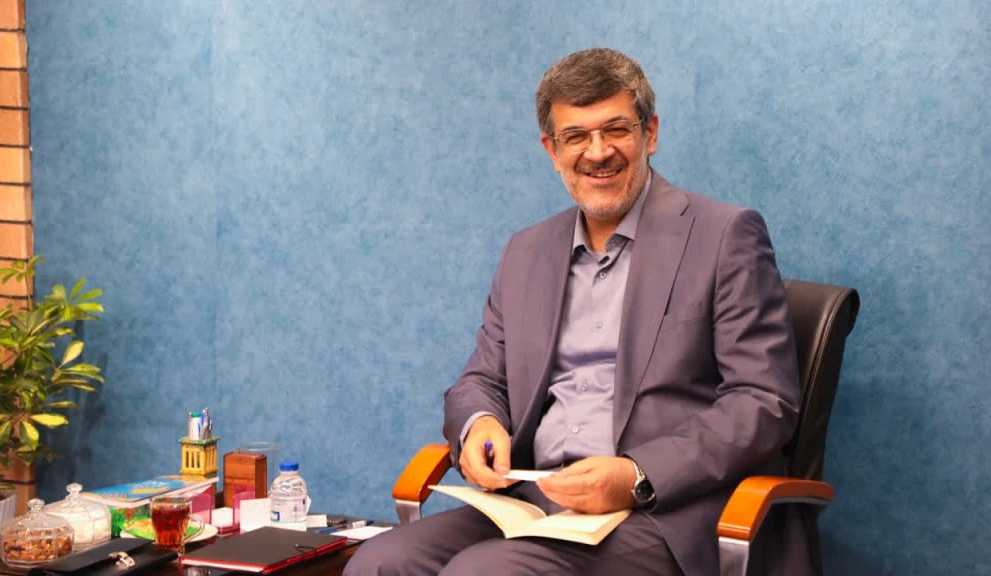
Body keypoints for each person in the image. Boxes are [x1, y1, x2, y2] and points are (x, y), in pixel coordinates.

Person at [345, 48, 809, 576]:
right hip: (532, 500)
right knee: (379, 563)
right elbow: (482, 378)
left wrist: (636, 474)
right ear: (552, 149)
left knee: (484, 574)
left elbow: (763, 401)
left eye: (616, 129)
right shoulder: (526, 252)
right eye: (576, 136)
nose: (598, 152)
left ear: (650, 133)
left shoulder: (724, 235)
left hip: (663, 512)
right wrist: (478, 424)